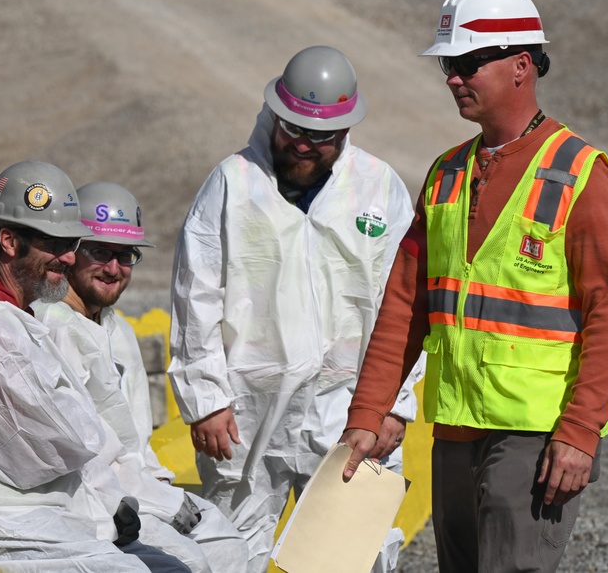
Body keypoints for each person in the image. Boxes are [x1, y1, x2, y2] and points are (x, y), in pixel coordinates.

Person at [340, 0, 608, 573]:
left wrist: (580, 430)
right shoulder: (446, 175)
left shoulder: (580, 174)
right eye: (448, 65)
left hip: (535, 434)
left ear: (521, 65)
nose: (453, 78)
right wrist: (367, 413)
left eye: (468, 63)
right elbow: (404, 307)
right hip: (455, 427)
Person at [169, 45, 426, 573]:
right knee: (229, 552)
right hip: (245, 412)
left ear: (345, 128)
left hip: (352, 408)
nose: (304, 144)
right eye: (293, 129)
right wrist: (205, 399)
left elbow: (404, 302)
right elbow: (196, 296)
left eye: (320, 136)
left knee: (350, 556)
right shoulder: (233, 184)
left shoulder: (378, 188)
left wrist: (395, 403)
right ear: (275, 114)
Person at [0, 160, 191, 573]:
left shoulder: (14, 317)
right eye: (55, 243)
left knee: (176, 565)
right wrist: (110, 503)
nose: (68, 257)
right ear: (10, 241)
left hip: (19, 506)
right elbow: (49, 450)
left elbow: (72, 440)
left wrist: (111, 499)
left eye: (73, 243)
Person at [34, 181, 249, 573]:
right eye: (100, 252)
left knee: (227, 545)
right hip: (92, 503)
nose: (113, 268)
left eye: (125, 255)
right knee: (186, 563)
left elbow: (134, 440)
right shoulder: (53, 329)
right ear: (71, 251)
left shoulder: (117, 329)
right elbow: (83, 455)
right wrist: (159, 501)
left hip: (138, 491)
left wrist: (158, 485)